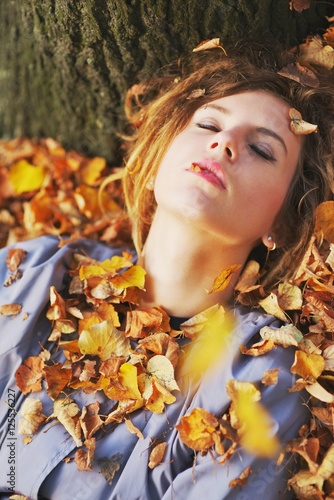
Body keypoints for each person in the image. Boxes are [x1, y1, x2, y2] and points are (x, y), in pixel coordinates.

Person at [0, 38, 333, 500]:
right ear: (158, 160)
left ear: (280, 223)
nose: (224, 142)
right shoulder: (34, 272)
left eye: (261, 149)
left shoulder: (256, 377)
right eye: (209, 123)